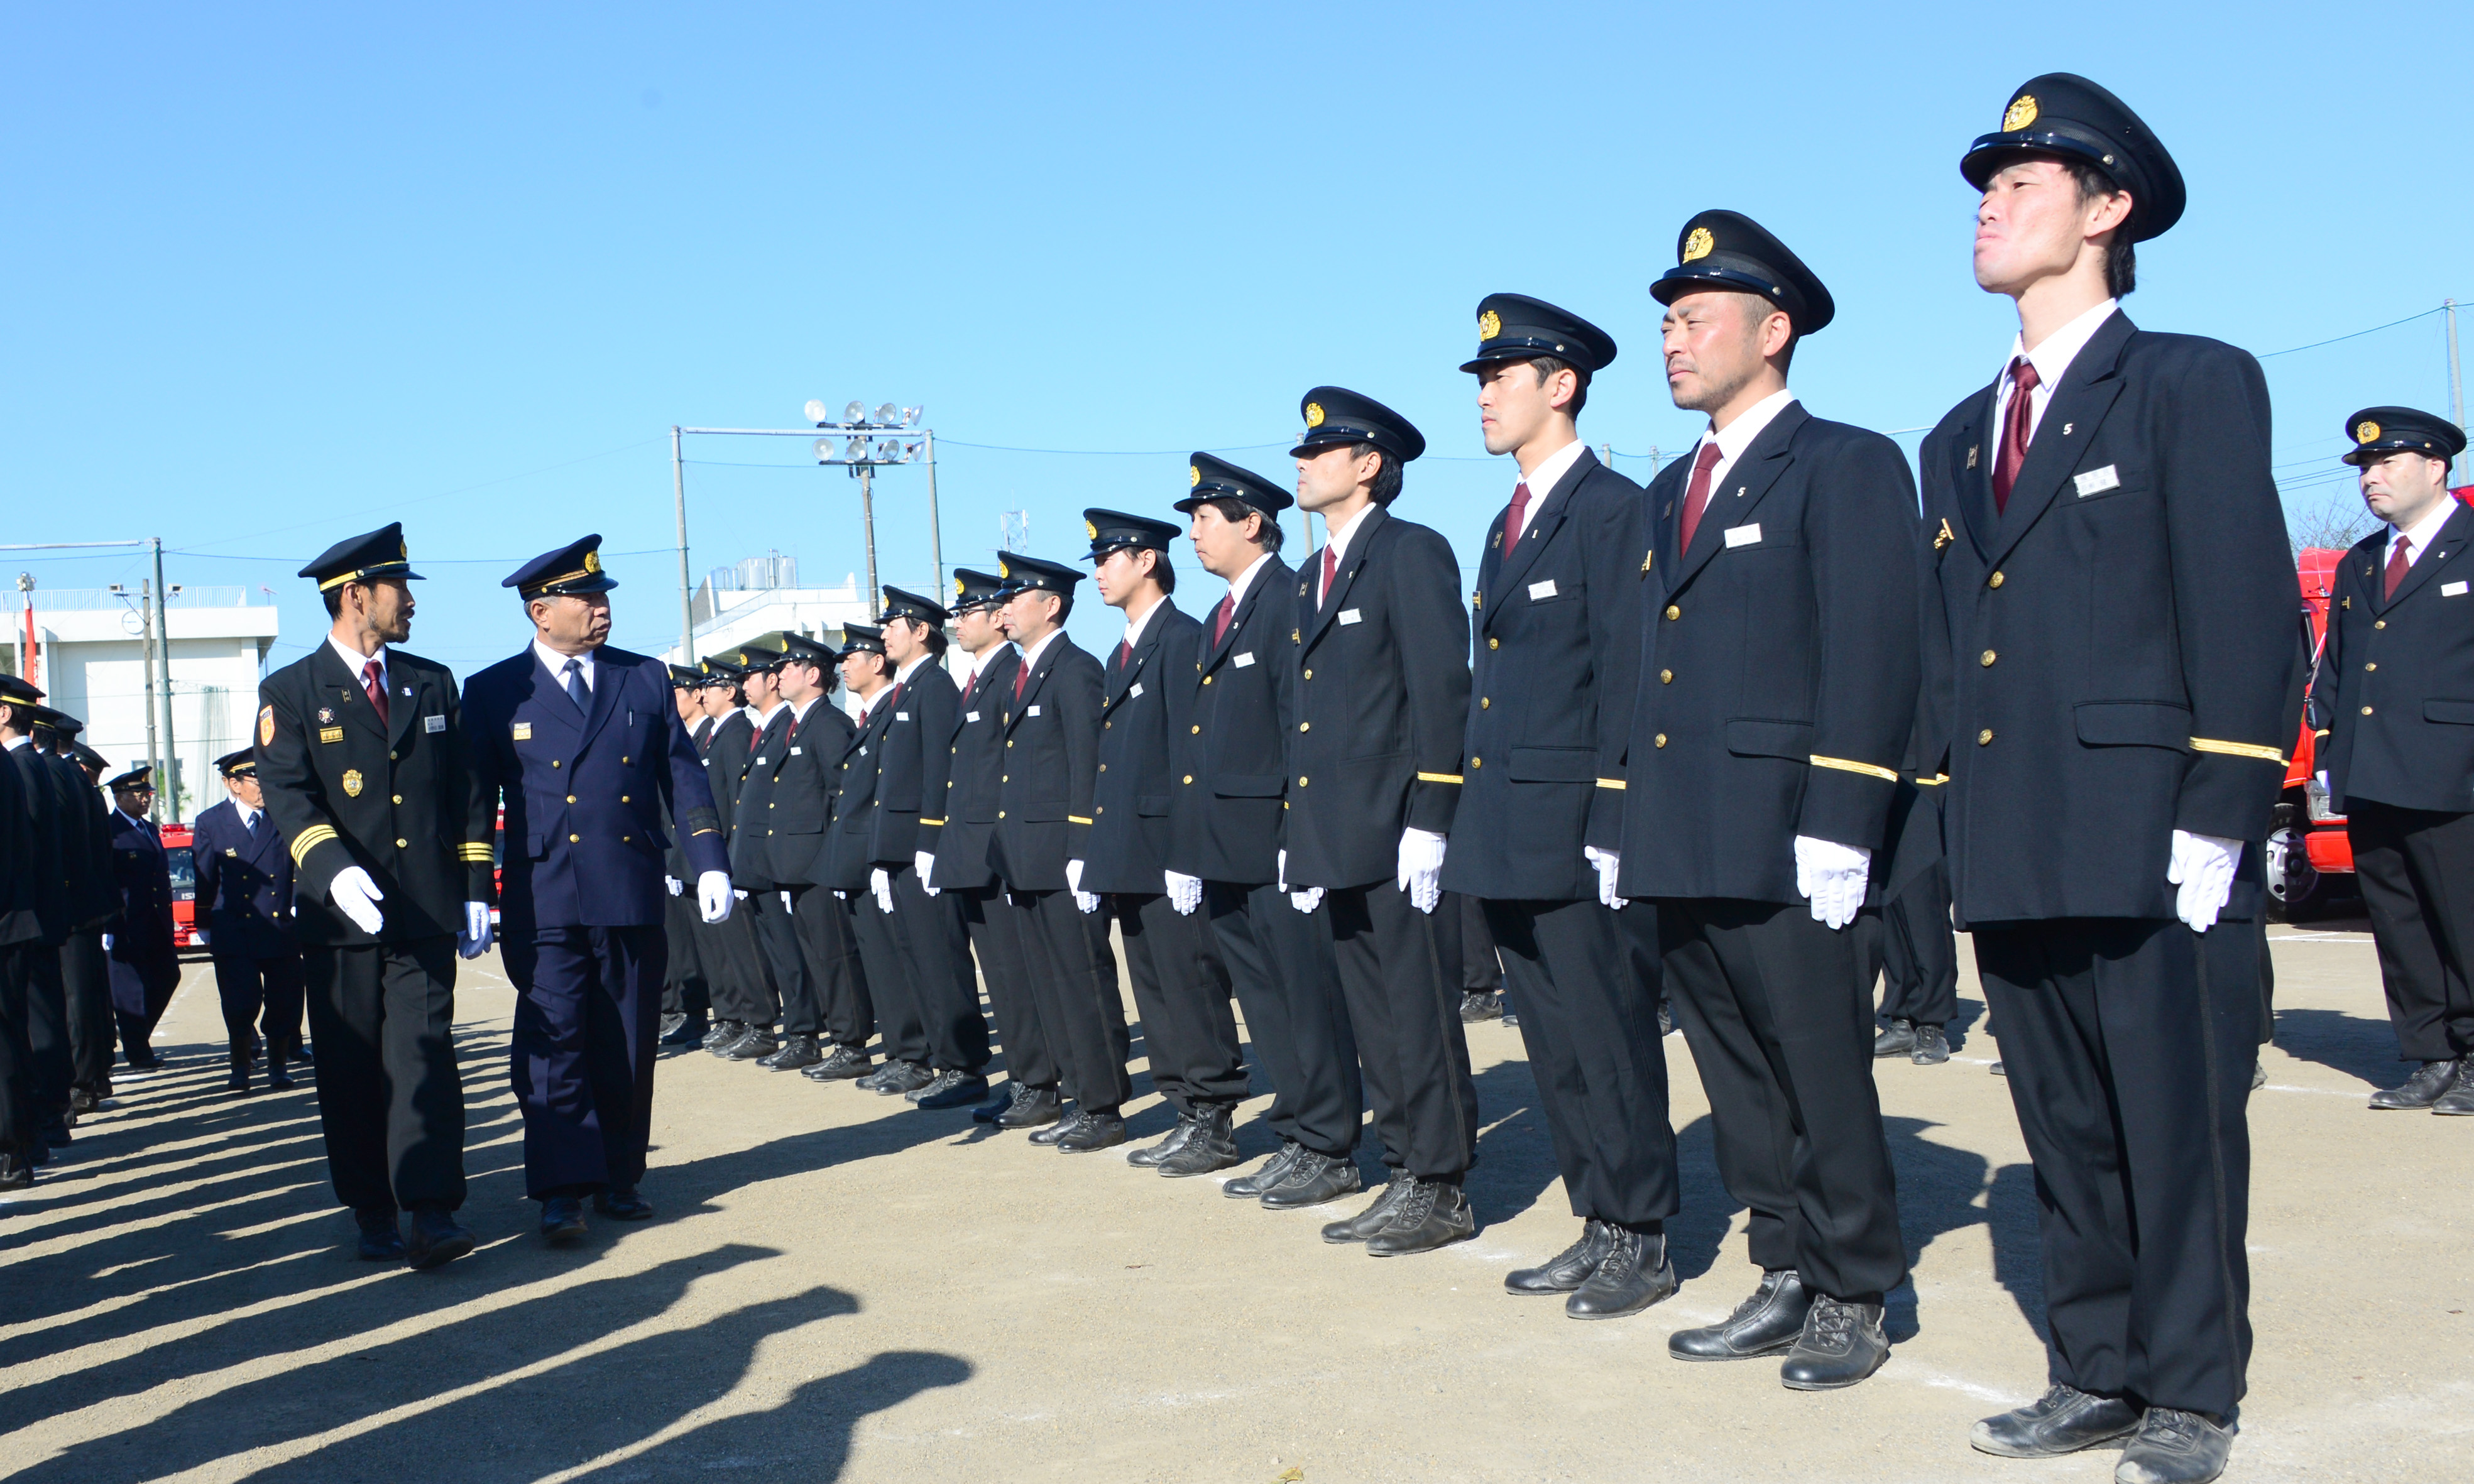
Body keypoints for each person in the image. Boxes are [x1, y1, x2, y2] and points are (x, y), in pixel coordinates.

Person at [1922, 77, 2294, 1482]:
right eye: (1988, 180)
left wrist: (2223, 803)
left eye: (2024, 179)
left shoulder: (2192, 381)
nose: (1991, 200)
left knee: (2177, 1121)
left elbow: (2246, 606)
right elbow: (1968, 645)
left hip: (2152, 833)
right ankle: (2095, 1365)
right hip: (2017, 834)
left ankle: (2192, 1384)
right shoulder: (1957, 434)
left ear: (2108, 207)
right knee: (2065, 1119)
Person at [1618, 210, 1918, 1389]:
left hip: (1791, 833)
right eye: (1666, 322)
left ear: (1773, 328)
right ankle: (1783, 1260)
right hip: (1685, 827)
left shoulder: (1843, 462)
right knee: (1736, 1071)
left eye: (1694, 319)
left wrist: (1841, 818)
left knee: (1820, 1069)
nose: (1672, 340)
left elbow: (1873, 647)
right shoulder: (1669, 489)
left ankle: (1855, 1285)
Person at [1447, 294, 1677, 1318]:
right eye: (1482, 380)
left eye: (1501, 377)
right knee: (1551, 1040)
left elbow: (1631, 673)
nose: (1485, 395)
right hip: (1509, 827)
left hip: (1580, 829)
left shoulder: (1612, 510)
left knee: (1608, 1032)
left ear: (1561, 383)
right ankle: (1599, 1218)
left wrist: (1618, 819)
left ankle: (1642, 1233)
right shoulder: (1506, 524)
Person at [463, 534, 734, 1243]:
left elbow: (682, 774)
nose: (601, 608)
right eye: (586, 598)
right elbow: (473, 797)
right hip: (544, 892)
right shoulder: (495, 690)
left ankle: (619, 1174)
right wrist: (472, 886)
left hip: (627, 884)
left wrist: (708, 857)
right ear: (539, 612)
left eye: (604, 595)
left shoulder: (642, 677)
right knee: (554, 1043)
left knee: (627, 1036)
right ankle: (561, 1188)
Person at [255, 522, 496, 1270]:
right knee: (353, 1067)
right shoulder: (290, 691)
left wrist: (473, 885)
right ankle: (371, 1206)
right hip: (340, 918)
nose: (412, 603)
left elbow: (465, 791)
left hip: (422, 909)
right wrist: (330, 869)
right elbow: (289, 797)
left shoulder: (431, 682)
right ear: (356, 596)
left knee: (424, 1055)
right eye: (401, 589)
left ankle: (430, 1208)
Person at [1283, 386, 1481, 1258]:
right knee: (1373, 1013)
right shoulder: (1309, 575)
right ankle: (1405, 1165)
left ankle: (1439, 1183)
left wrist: (1432, 813)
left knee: (1416, 1011)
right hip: (1336, 833)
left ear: (1367, 465)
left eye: (1320, 451)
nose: (1302, 462)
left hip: (1399, 827)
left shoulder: (1409, 552)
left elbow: (1441, 687)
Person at [1169, 455, 1364, 1208]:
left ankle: (1329, 1144)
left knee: (1305, 1000)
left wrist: (1298, 829)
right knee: (1265, 1000)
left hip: (1276, 838)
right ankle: (1297, 1132)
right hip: (1223, 843)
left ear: (1253, 522)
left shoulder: (1288, 597)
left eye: (1206, 519)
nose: (1195, 534)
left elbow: (1299, 724)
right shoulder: (1220, 616)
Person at [2307, 406, 2474, 1115]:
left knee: (2463, 919)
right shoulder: (2361, 560)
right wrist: (2328, 753)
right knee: (2400, 921)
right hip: (2372, 770)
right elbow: (2339, 669)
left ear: (2436, 466)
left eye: (2386, 464)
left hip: (2453, 770)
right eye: (2364, 469)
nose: (2370, 479)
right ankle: (2432, 1053)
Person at [1078, 508, 1246, 1176]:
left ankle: (1213, 1117)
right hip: (1128, 851)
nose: (1099, 573)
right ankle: (1184, 1108)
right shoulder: (1122, 651)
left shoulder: (1180, 639)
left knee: (1190, 985)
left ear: (1146, 560)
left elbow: (1189, 751)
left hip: (1168, 850)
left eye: (1109, 558)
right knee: (1152, 988)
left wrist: (1187, 849)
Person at [988, 554, 1131, 1152]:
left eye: (1014, 598)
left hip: (1062, 858)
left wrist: (1081, 847)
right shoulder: (1022, 674)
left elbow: (1086, 763)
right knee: (1049, 983)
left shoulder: (1074, 671)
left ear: (1050, 604)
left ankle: (1102, 1105)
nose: (1002, 611)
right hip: (1024, 859)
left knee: (1082, 980)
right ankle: (1078, 1095)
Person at [927, 569, 1059, 1127]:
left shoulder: (1010, 672)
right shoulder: (983, 677)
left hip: (1000, 850)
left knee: (1018, 973)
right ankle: (1027, 1079)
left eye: (969, 613)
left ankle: (1040, 1082)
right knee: (1001, 977)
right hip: (973, 851)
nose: (959, 623)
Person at [860, 588, 991, 1109]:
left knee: (941, 960)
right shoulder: (905, 692)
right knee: (917, 959)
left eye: (894, 623)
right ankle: (940, 1061)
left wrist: (930, 842)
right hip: (898, 850)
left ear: (920, 631)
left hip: (923, 848)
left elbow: (940, 772)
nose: (884, 632)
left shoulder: (934, 687)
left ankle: (963, 1066)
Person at [741, 631, 862, 1076]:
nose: (779, 674)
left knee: (835, 958)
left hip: (818, 864)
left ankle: (851, 1046)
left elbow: (840, 796)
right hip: (793, 864)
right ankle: (819, 1041)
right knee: (813, 957)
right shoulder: (795, 724)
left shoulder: (827, 724)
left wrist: (834, 860)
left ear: (813, 675)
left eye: (789, 667)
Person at [190, 748, 307, 1093]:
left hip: (280, 928)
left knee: (285, 1002)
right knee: (240, 1005)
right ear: (233, 784)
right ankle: (240, 1067)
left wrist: (300, 906)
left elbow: (298, 867)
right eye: (256, 781)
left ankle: (278, 1066)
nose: (262, 788)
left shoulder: (281, 817)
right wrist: (204, 923)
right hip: (235, 929)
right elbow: (205, 878)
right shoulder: (211, 822)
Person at [717, 638, 794, 1064]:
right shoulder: (757, 731)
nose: (745, 683)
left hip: (772, 860)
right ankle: (755, 1023)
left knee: (786, 954)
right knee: (767, 951)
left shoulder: (766, 730)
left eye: (751, 676)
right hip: (749, 860)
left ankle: (786, 1029)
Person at [0, 674, 60, 1186]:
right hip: (18, 921)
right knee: (15, 1037)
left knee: (9, 1042)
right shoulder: (19, 763)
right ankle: (23, 1141)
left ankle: (13, 1147)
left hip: (9, 921)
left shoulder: (17, 763)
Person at [101, 765, 180, 1069]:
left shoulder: (148, 828)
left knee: (168, 976)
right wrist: (109, 925)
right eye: (139, 793)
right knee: (129, 991)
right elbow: (106, 880)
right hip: (126, 923)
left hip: (155, 921)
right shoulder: (111, 832)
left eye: (147, 793)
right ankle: (139, 1052)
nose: (146, 798)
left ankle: (135, 1033)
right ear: (119, 797)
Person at [659, 664, 716, 1047]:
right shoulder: (679, 737)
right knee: (680, 945)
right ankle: (683, 1009)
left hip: (701, 856)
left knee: (715, 948)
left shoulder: (719, 734)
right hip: (673, 857)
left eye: (677, 690)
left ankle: (725, 1016)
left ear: (696, 694)